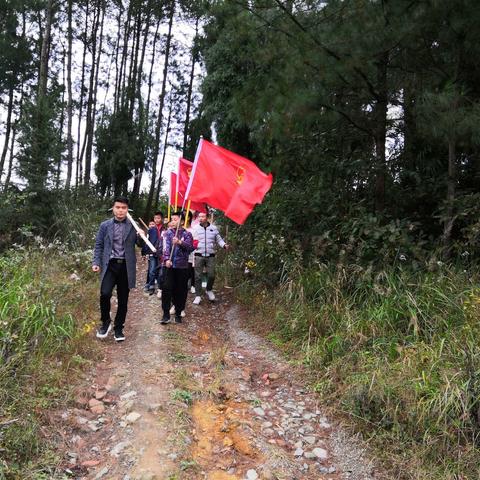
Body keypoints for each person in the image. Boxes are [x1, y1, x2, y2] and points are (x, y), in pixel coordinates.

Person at [92, 196, 143, 342]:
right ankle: (106, 322)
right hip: (110, 265)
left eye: (124, 208)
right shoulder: (105, 225)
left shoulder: (133, 225)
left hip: (126, 266)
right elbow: (99, 246)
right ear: (113, 208)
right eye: (118, 207)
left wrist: (141, 236)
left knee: (123, 299)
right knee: (105, 293)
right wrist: (96, 262)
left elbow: (141, 246)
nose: (121, 211)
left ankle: (119, 327)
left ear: (128, 210)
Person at [160, 211, 194, 324]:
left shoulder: (187, 234)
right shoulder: (167, 233)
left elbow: (190, 248)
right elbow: (165, 247)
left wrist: (180, 242)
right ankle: (165, 314)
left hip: (182, 266)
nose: (173, 221)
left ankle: (178, 313)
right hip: (169, 266)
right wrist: (166, 259)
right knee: (166, 288)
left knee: (181, 290)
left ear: (182, 221)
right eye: (172, 219)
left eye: (175, 219)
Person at [191, 211, 229, 305]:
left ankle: (209, 289)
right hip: (198, 254)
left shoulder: (213, 228)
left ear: (207, 217)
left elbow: (218, 239)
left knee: (211, 275)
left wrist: (224, 245)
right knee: (198, 276)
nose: (200, 218)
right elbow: (191, 240)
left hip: (210, 255)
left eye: (203, 216)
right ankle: (198, 295)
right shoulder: (195, 228)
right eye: (199, 217)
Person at [143, 211, 165, 295]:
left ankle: (160, 287)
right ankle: (151, 285)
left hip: (161, 253)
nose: (157, 220)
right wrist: (145, 252)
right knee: (152, 270)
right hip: (152, 252)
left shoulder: (165, 229)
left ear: (162, 219)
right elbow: (147, 241)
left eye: (158, 218)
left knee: (160, 271)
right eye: (155, 218)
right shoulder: (151, 229)